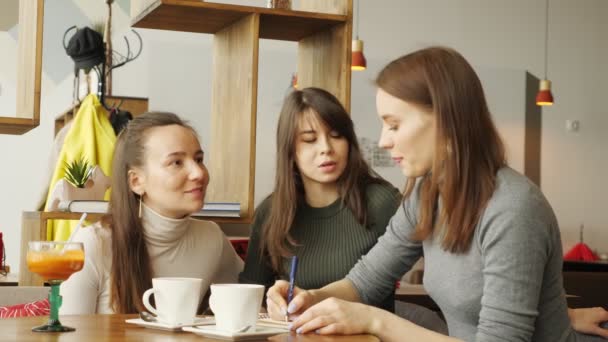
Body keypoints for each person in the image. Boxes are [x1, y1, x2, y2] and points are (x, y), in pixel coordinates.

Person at [265, 47, 608, 341]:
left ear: (445, 119)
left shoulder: (513, 208)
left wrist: (375, 320)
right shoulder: (427, 195)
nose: (384, 140)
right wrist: (311, 297)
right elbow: (367, 279)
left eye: (394, 124)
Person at [239, 87, 403, 313]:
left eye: (336, 135)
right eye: (309, 139)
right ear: (289, 150)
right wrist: (271, 305)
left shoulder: (382, 202)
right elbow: (250, 296)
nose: (326, 148)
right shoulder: (270, 212)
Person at [60, 112, 243, 314]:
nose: (198, 173)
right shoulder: (92, 244)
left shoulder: (212, 238)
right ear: (136, 181)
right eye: (176, 162)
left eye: (198, 159)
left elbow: (246, 304)